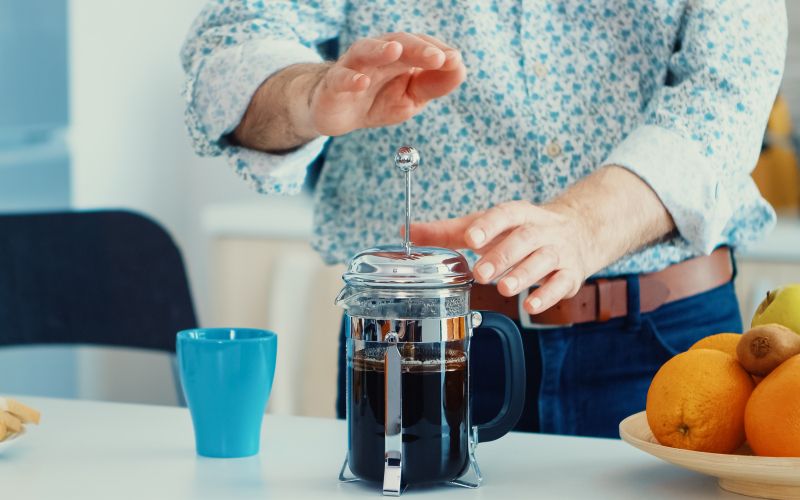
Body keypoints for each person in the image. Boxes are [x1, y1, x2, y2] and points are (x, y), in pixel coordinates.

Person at [180, 1, 787, 437]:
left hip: (673, 349)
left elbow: (726, 89)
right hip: (416, 345)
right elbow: (232, 39)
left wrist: (583, 226)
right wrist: (309, 93)